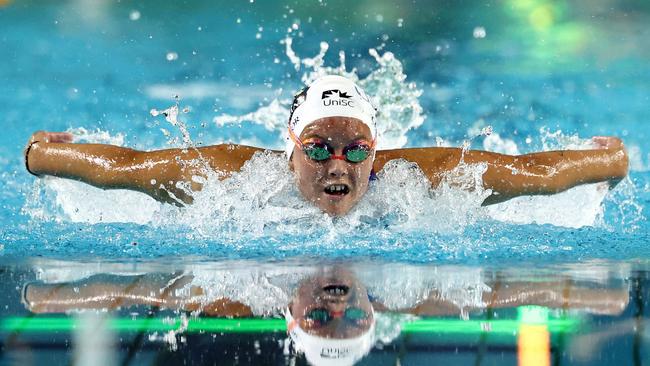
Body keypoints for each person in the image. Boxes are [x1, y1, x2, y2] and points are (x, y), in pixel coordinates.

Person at [23, 75, 629, 216]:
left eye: (355, 149)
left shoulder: (423, 181)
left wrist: (612, 160)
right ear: (290, 144)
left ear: (376, 147)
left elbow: (538, 173)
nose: (338, 164)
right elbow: (121, 169)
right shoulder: (229, 178)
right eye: (318, 148)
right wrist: (40, 153)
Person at [22, 264, 629, 365]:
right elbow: (505, 291)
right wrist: (597, 296)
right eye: (350, 321)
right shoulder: (414, 288)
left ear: (287, 311)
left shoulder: (237, 286)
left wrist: (51, 297)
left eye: (318, 319)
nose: (334, 306)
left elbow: (143, 288)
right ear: (376, 311)